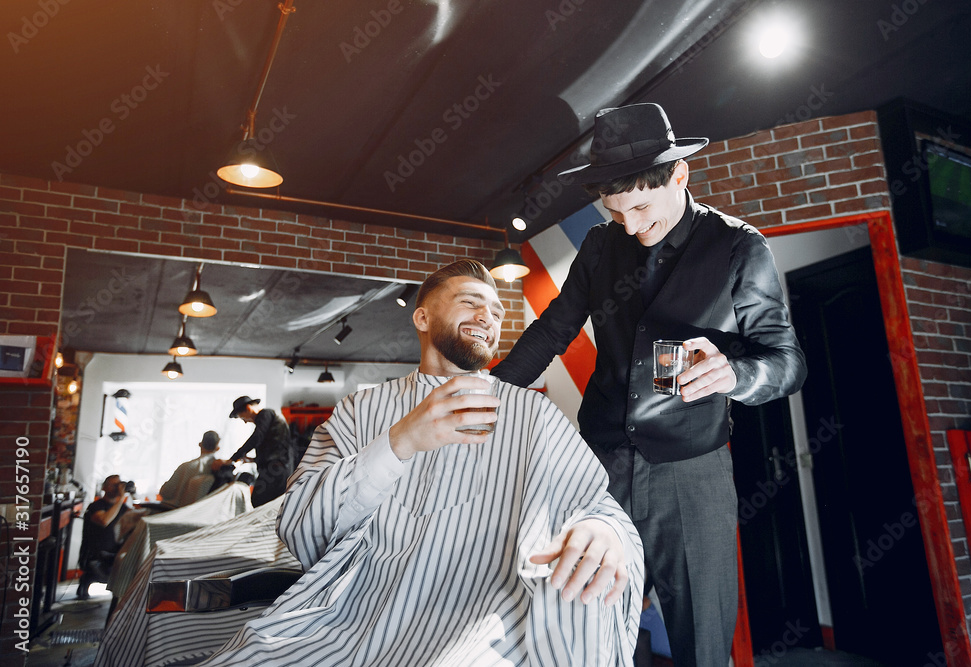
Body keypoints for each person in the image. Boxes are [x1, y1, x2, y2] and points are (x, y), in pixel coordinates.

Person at [200, 260, 644, 666]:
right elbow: (301, 526)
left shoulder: (534, 414)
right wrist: (398, 442)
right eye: (470, 303)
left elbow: (594, 504)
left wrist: (604, 531)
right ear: (422, 317)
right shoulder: (360, 410)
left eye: (496, 312)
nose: (488, 317)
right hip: (350, 615)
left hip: (484, 618)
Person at [491, 103, 807, 666]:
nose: (631, 227)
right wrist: (489, 395)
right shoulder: (598, 246)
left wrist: (737, 373)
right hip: (598, 468)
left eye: (640, 207)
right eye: (616, 212)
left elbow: (786, 361)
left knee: (701, 640)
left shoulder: (738, 246)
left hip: (691, 472)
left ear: (679, 176)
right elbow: (552, 331)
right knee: (587, 626)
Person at [227, 396, 294, 507]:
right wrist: (253, 460)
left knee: (259, 501)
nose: (245, 422)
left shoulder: (265, 414)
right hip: (279, 469)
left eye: (243, 418)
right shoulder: (270, 418)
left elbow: (257, 437)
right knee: (272, 505)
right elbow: (274, 447)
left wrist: (234, 458)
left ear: (248, 408)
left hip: (275, 470)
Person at [77, 474, 131, 599]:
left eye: (119, 485)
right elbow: (104, 520)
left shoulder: (123, 507)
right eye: (114, 485)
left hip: (115, 553)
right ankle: (87, 579)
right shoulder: (96, 506)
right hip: (95, 555)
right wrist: (121, 498)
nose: (117, 488)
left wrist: (129, 494)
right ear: (104, 488)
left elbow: (136, 520)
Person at [158, 430, 223, 507]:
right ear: (218, 448)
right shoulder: (221, 471)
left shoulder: (185, 467)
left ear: (200, 444)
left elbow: (165, 493)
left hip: (175, 511)